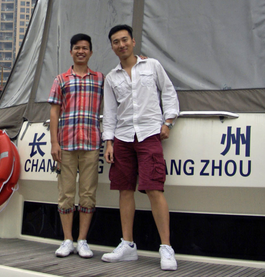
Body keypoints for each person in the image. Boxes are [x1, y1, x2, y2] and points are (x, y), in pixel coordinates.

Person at [101, 24, 179, 271]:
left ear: (133, 42)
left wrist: (168, 122)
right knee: (124, 189)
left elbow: (168, 93)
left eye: (125, 40)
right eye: (116, 41)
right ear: (112, 47)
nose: (121, 45)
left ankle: (166, 248)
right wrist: (109, 141)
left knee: (155, 189)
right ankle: (128, 245)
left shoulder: (152, 66)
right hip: (122, 137)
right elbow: (110, 112)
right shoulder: (111, 77)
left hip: (149, 134)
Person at [48, 33, 104, 258]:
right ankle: (67, 239)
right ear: (71, 52)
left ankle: (83, 240)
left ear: (91, 52)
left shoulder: (100, 79)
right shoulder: (61, 80)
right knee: (66, 193)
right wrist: (54, 142)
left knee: (88, 193)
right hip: (66, 144)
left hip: (91, 143)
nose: (81, 51)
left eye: (85, 48)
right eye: (77, 48)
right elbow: (54, 111)